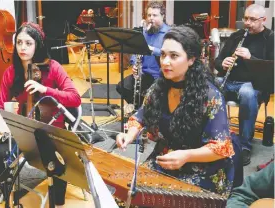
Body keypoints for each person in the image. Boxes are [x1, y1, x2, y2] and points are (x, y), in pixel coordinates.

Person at [116, 26, 238, 197]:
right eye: (163, 55)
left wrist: (186, 156)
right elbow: (141, 116)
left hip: (204, 169)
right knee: (133, 195)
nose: (165, 62)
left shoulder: (210, 95)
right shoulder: (159, 87)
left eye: (174, 56)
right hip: (167, 159)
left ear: (191, 59)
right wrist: (129, 135)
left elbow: (222, 147)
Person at [0, 22, 81, 208]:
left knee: (58, 189)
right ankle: (8, 193)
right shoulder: (11, 72)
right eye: (19, 43)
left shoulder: (54, 67)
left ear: (38, 45)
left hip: (52, 129)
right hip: (23, 130)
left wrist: (45, 89)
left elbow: (75, 98)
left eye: (28, 43)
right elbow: (0, 103)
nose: (22, 47)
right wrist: (4, 121)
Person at [214, 4, 274, 166]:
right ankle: (214, 136)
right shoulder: (237, 36)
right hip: (229, 81)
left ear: (263, 20)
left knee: (247, 93)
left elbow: (271, 69)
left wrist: (250, 58)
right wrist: (223, 64)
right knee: (209, 85)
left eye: (252, 19)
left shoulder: (270, 38)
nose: (247, 23)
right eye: (245, 18)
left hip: (253, 84)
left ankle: (244, 146)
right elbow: (217, 60)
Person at [116, 1, 170, 109]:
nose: (151, 18)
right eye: (149, 15)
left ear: (163, 16)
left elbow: (168, 54)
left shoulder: (169, 33)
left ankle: (147, 109)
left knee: (153, 96)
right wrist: (135, 65)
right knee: (121, 86)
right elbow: (137, 51)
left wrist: (152, 49)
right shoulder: (145, 32)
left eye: (155, 15)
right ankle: (141, 108)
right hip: (144, 73)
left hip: (160, 76)